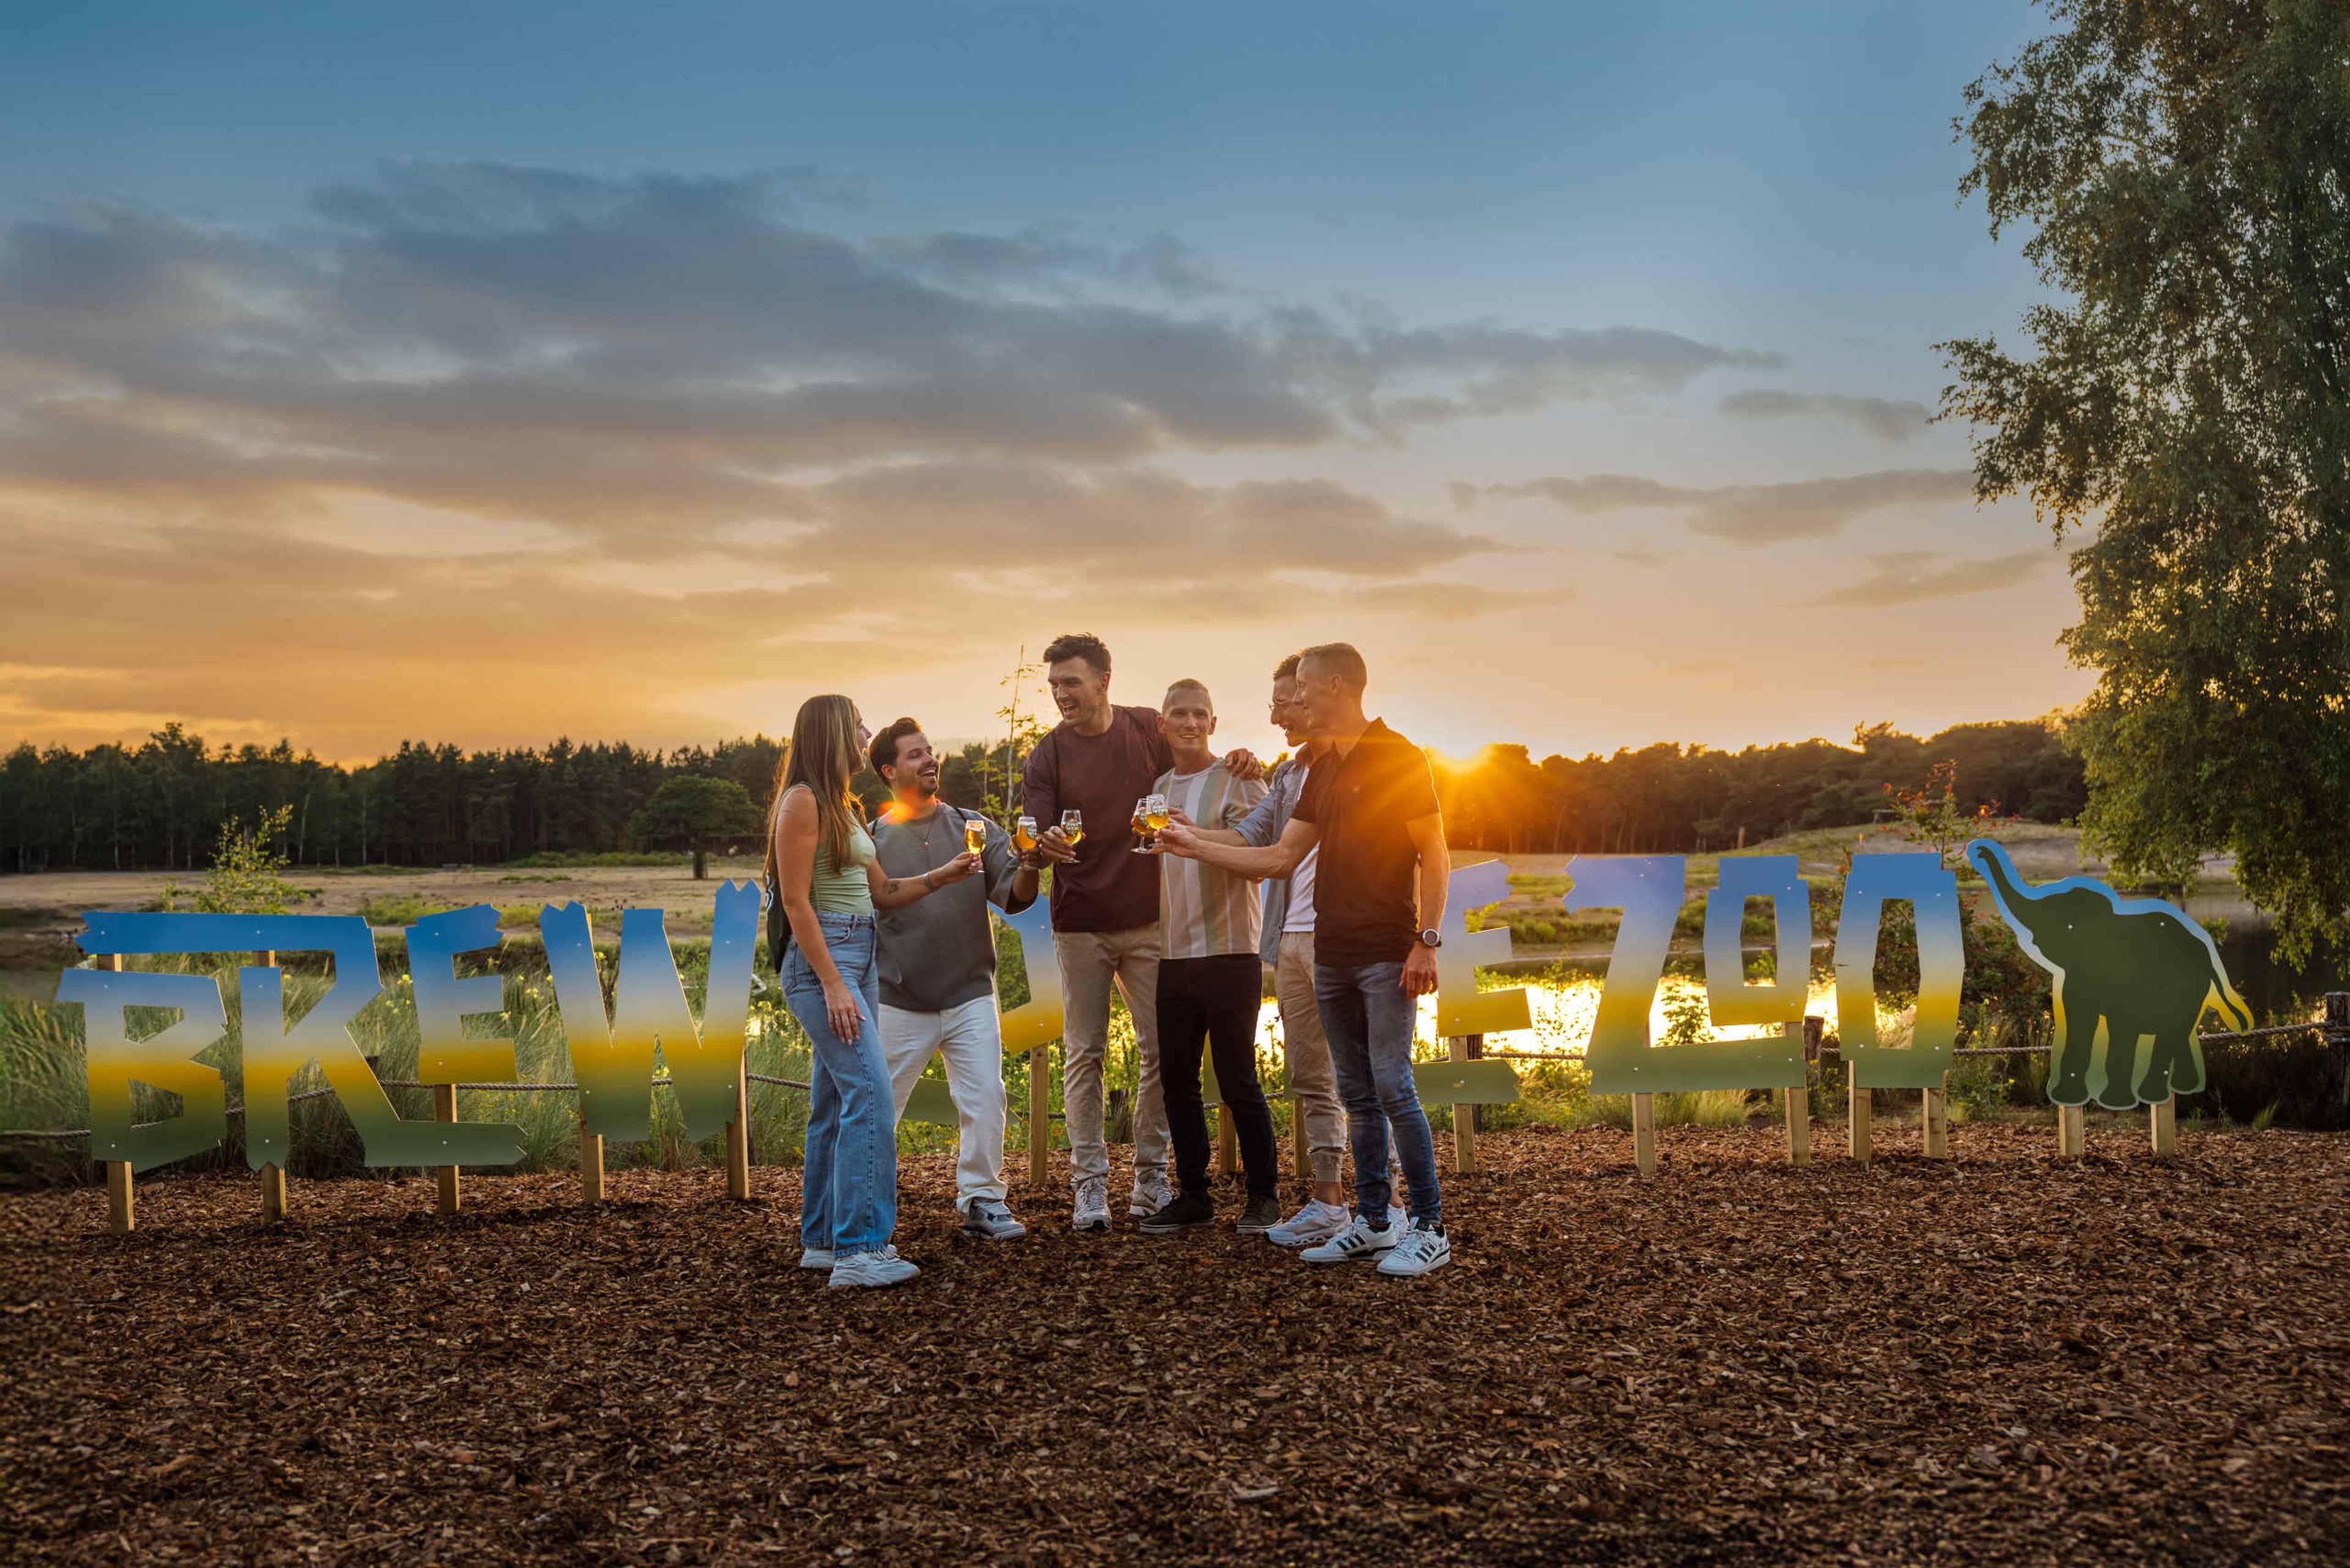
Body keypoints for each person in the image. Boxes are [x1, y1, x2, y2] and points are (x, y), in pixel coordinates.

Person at [1158, 642, 1453, 1278]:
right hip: (1332, 953)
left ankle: (1429, 1226)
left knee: (1393, 1086)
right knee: (1357, 1093)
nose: (1294, 702)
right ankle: (1373, 1222)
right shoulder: (1319, 772)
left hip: (1384, 951)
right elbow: (1278, 858)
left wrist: (1426, 941)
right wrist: (1189, 845)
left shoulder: (1399, 756)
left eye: (1302, 690)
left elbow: (1435, 851)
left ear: (1336, 686)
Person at [1023, 632, 1258, 1231]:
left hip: (1153, 921)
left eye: (1071, 682)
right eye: (1054, 685)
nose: (1060, 694)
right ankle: (1089, 1184)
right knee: (1086, 1052)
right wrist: (1043, 844)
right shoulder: (1046, 755)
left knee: (1162, 1052)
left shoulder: (1146, 729)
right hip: (1080, 924)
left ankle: (1151, 1176)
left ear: (1103, 681)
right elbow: (1037, 837)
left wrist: (1241, 759)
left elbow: (1195, 752)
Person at [766, 695, 979, 1290]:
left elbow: (881, 893)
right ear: (833, 733)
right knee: (871, 1095)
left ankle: (823, 1242)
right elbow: (796, 901)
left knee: (836, 1101)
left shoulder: (844, 805)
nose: (866, 735)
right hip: (824, 960)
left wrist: (943, 875)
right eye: (858, 726)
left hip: (859, 951)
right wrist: (833, 983)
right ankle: (861, 1251)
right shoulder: (802, 801)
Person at [1166, 654, 1376, 1249]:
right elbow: (1250, 838)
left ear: (1315, 697)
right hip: (1290, 940)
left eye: (1287, 701)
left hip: (1347, 938)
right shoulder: (1287, 777)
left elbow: (1281, 859)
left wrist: (1421, 937)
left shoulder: (1364, 765)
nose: (1279, 713)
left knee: (1367, 1080)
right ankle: (1331, 1203)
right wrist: (1185, 834)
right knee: (1312, 1078)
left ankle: (1385, 1209)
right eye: (1278, 703)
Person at [866, 717, 1040, 1242]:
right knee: (877, 1110)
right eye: (916, 754)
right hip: (899, 999)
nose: (930, 760)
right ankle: (862, 1209)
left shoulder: (974, 826)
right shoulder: (871, 839)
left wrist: (1031, 864)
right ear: (889, 771)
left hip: (970, 994)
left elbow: (1016, 894)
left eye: (930, 751)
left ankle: (983, 1200)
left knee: (986, 1098)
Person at [1133, 680, 1282, 1236]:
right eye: (1179, 713)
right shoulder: (1159, 788)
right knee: (1177, 1082)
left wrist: (1200, 836)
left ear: (1214, 723)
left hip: (1231, 950)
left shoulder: (1241, 777)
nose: (1190, 723)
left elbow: (1264, 855)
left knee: (1238, 1077)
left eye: (1200, 714)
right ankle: (1194, 1196)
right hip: (1173, 954)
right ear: (1163, 724)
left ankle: (1264, 1197)